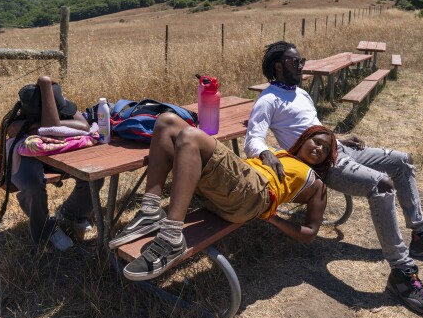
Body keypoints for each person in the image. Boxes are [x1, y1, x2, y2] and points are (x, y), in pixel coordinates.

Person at [244, 41, 423, 316]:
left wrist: (336, 137)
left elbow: (312, 125)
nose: (302, 65)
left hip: (339, 149)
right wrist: (266, 153)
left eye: (302, 60)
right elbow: (253, 138)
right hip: (325, 164)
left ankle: (422, 235)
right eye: (295, 62)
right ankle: (402, 273)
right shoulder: (268, 99)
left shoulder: (300, 93)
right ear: (278, 66)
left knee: (402, 160)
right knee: (381, 185)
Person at [109, 113, 337, 282]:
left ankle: (171, 237)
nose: (319, 149)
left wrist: (273, 218)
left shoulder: (316, 183)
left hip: (254, 195)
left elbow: (310, 234)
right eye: (317, 141)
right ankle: (150, 211)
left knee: (190, 136)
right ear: (304, 138)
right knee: (166, 122)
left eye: (326, 150)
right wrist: (266, 152)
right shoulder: (278, 153)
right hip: (227, 190)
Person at [0, 76, 95, 252]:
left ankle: (72, 214)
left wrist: (34, 125)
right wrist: (35, 127)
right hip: (29, 154)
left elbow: (81, 126)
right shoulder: (17, 120)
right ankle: (45, 229)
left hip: (60, 151)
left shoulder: (58, 102)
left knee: (93, 173)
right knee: (31, 184)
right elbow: (51, 128)